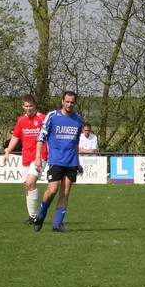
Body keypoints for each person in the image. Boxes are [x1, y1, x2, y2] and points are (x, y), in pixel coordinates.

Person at [33, 90, 86, 233]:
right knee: (52, 190)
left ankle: (57, 224)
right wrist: (38, 156)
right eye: (67, 101)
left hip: (71, 161)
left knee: (65, 192)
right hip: (56, 159)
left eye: (72, 102)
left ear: (75, 103)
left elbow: (76, 142)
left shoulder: (79, 119)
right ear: (62, 101)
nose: (69, 104)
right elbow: (41, 137)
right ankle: (41, 216)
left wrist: (78, 162)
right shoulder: (52, 116)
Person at [3, 94, 47, 224]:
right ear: (23, 106)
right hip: (26, 157)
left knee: (30, 183)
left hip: (39, 156)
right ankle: (32, 216)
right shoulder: (21, 120)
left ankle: (35, 217)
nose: (28, 108)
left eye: (31, 106)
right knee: (27, 187)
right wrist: (8, 152)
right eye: (26, 106)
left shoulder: (42, 118)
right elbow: (16, 137)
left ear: (35, 106)